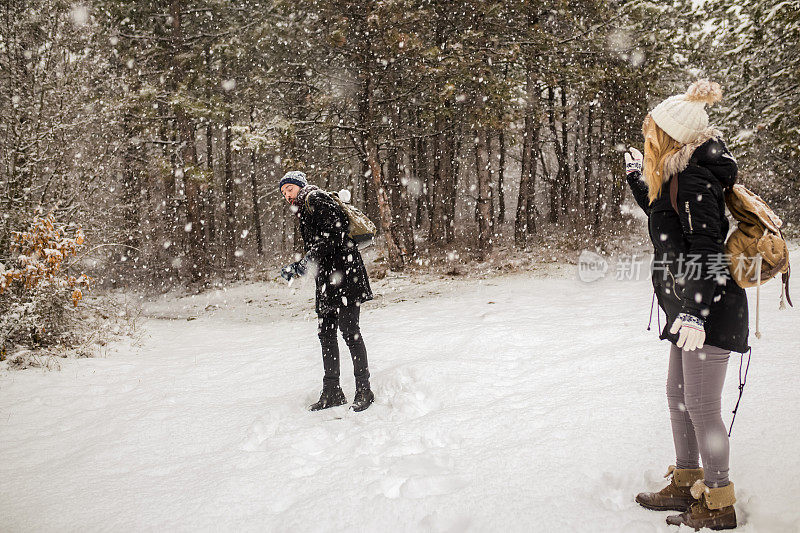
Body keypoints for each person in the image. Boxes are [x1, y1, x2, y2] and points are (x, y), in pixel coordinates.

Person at [624, 80, 748, 530]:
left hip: (707, 306)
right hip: (688, 303)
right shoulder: (679, 174)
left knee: (701, 405)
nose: (647, 137)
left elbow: (707, 248)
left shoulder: (694, 177)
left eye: (652, 132)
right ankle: (686, 478)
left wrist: (696, 310)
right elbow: (669, 219)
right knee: (678, 397)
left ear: (670, 136)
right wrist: (640, 180)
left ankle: (719, 501)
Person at [278, 170, 375, 412]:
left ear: (300, 185)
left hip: (346, 275)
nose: (286, 195)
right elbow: (321, 244)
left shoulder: (317, 198)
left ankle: (365, 390)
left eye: (289, 189)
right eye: (283, 192)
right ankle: (332, 391)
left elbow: (335, 233)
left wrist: (304, 262)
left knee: (350, 332)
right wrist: (304, 265)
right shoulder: (305, 207)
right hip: (327, 280)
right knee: (326, 333)